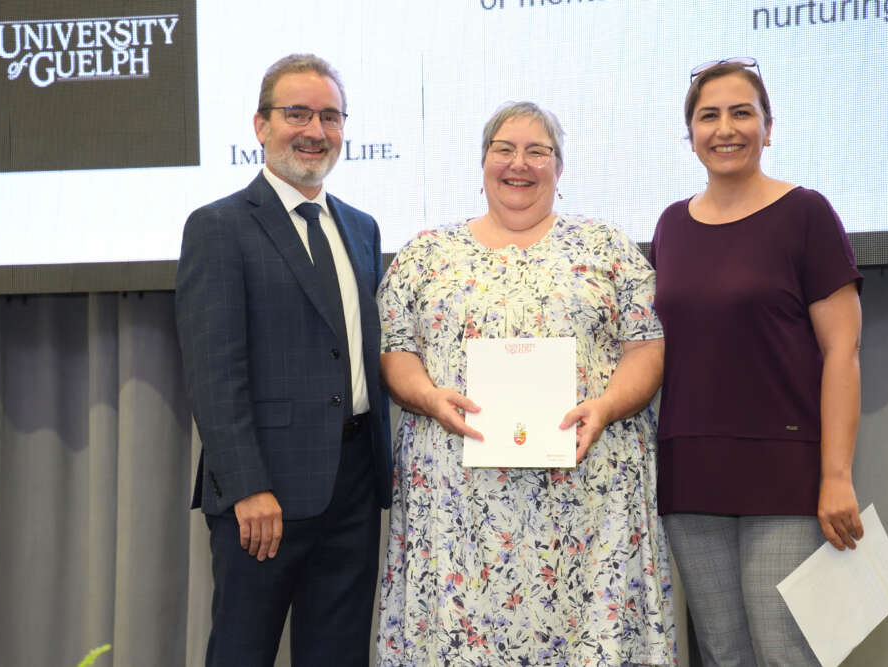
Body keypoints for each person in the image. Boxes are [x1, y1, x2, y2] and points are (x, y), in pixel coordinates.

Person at [375, 101, 675, 666]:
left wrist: (607, 406)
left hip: (591, 503)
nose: (521, 164)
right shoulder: (424, 255)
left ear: (559, 167)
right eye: (504, 150)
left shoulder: (609, 251)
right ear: (483, 162)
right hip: (456, 511)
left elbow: (645, 349)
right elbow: (397, 353)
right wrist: (428, 397)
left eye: (538, 151)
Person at [175, 53, 391, 666]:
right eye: (296, 113)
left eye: (329, 116)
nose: (315, 130)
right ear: (260, 125)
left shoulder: (362, 228)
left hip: (352, 488)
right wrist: (249, 487)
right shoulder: (218, 227)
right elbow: (214, 374)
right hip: (263, 497)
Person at [649, 58, 864, 666]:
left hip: (785, 474)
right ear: (690, 134)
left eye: (742, 112)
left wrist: (836, 475)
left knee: (783, 649)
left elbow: (842, 353)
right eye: (708, 115)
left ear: (768, 128)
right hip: (691, 475)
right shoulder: (670, 226)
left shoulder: (807, 214)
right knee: (722, 653)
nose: (726, 128)